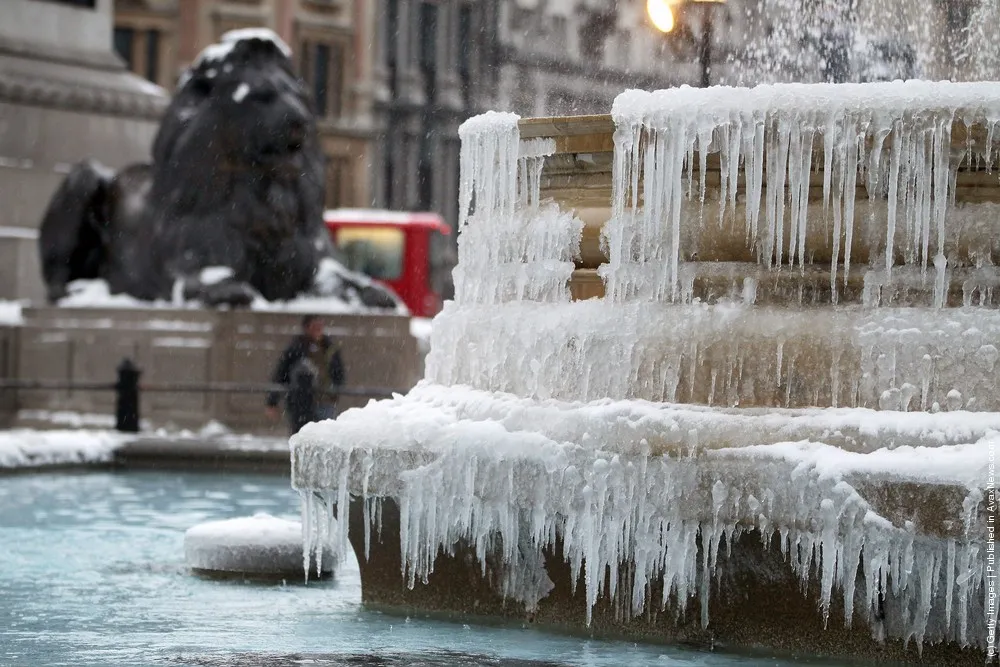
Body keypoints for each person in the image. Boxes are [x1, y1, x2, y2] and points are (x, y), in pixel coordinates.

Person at [265, 314, 345, 434]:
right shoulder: (296, 349)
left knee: (325, 435)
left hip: (325, 400)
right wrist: (272, 401)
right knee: (302, 434)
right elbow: (281, 374)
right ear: (307, 328)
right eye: (315, 326)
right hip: (302, 401)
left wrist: (335, 389)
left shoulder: (329, 348)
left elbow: (338, 372)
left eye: (320, 326)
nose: (318, 330)